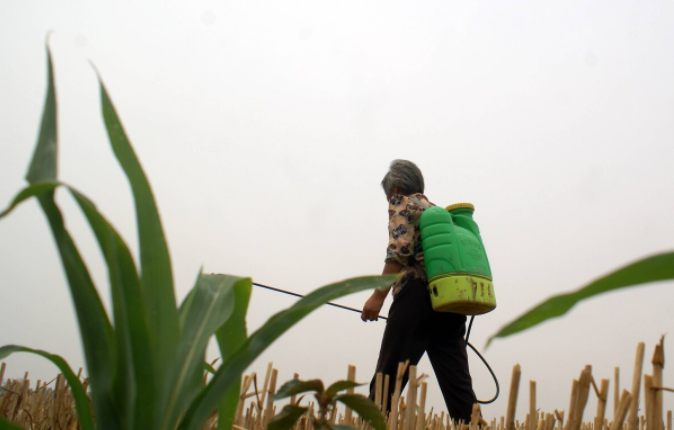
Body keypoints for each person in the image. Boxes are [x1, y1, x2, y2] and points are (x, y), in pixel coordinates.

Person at [361, 159, 477, 423]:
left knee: (385, 384)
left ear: (397, 188)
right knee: (460, 393)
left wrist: (378, 296)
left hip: (416, 300)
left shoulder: (403, 202)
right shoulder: (442, 215)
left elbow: (399, 250)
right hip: (450, 304)